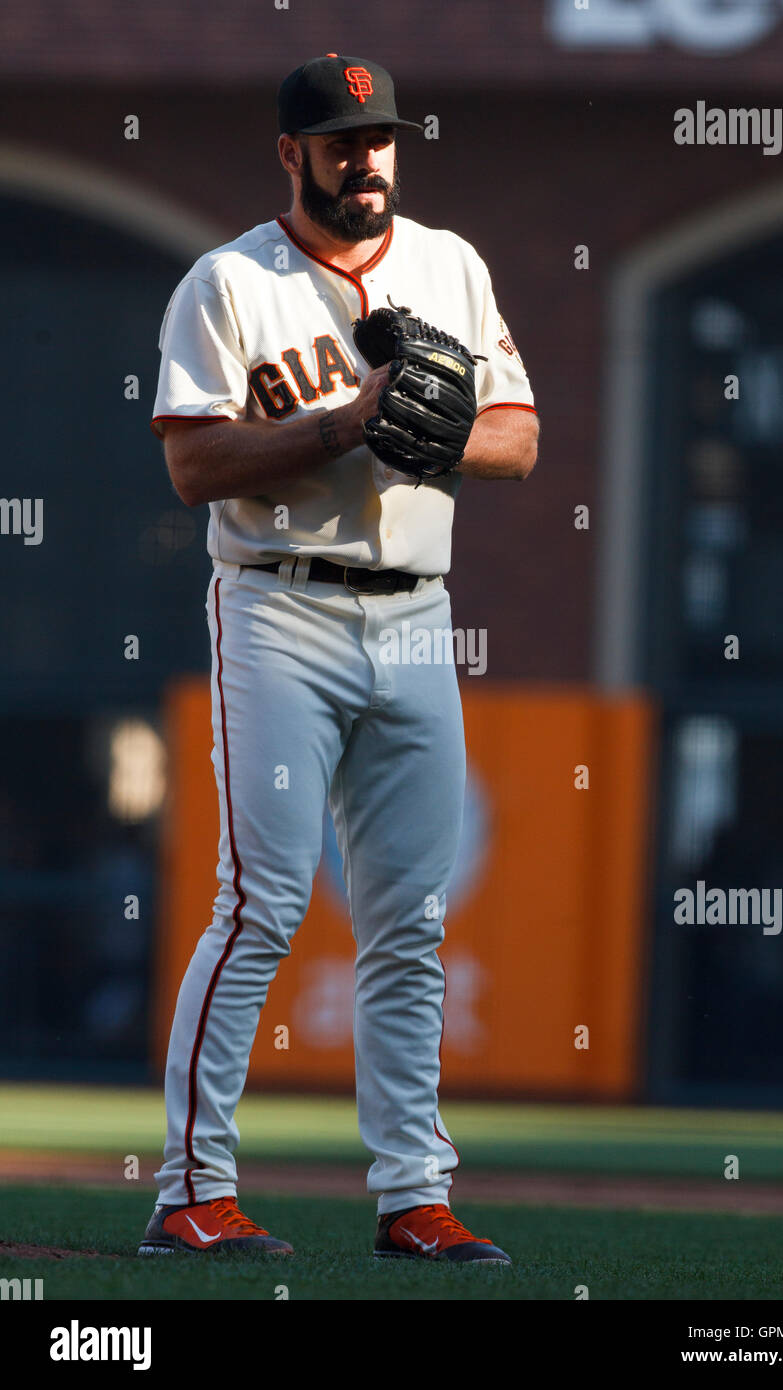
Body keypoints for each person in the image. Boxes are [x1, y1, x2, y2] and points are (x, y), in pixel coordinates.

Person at [138, 53, 538, 1263]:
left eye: (380, 138)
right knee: (259, 906)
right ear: (291, 155)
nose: (365, 159)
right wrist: (345, 422)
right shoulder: (226, 283)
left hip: (418, 612)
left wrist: (440, 430)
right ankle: (192, 1191)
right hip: (278, 608)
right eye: (340, 141)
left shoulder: (448, 263)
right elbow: (193, 466)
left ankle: (412, 1197)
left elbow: (518, 439)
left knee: (408, 920)